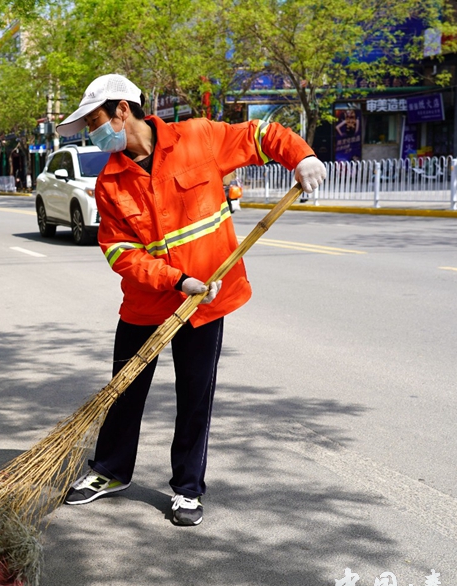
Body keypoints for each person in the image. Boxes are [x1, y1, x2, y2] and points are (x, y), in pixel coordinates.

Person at [56, 74, 326, 526]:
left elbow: (260, 135)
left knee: (194, 397)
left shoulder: (198, 137)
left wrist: (303, 156)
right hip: (147, 302)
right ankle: (110, 471)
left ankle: (186, 489)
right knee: (124, 390)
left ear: (122, 110)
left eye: (94, 121)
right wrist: (176, 280)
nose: (91, 132)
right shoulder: (110, 182)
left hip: (204, 305)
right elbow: (121, 253)